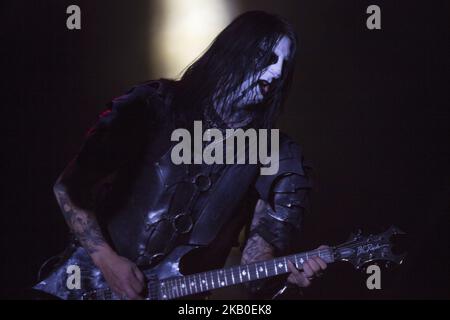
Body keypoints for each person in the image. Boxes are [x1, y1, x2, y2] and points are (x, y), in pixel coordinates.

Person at [34, 10, 327, 300]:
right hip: (85, 286)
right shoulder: (155, 105)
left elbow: (256, 267)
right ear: (234, 51)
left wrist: (288, 277)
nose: (276, 73)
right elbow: (69, 186)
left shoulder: (278, 155)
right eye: (267, 58)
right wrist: (107, 262)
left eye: (284, 65)